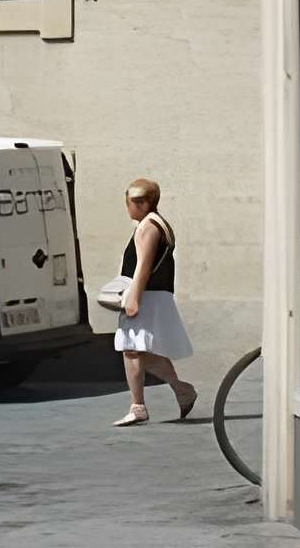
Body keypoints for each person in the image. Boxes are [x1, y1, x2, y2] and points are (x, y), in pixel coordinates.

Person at [110, 177, 195, 426]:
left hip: (146, 295)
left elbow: (143, 266)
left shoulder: (148, 226)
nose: (128, 208)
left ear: (141, 203)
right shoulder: (157, 223)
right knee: (140, 350)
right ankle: (182, 390)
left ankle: (138, 407)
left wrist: (133, 297)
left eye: (129, 202)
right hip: (154, 294)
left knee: (131, 348)